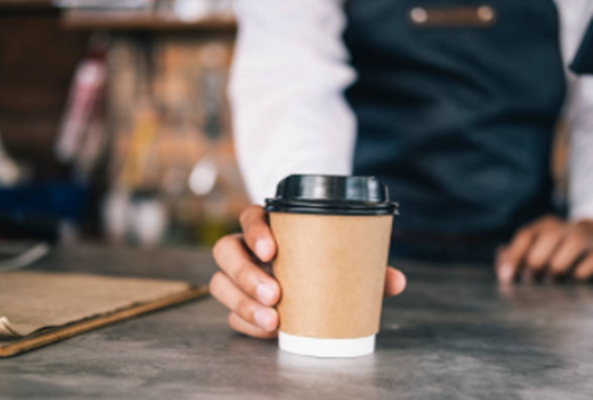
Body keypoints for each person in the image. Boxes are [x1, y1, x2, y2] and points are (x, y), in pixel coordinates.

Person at [210, 0, 593, 338]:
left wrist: (590, 218)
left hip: (534, 265)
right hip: (369, 263)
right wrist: (304, 243)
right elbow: (289, 78)